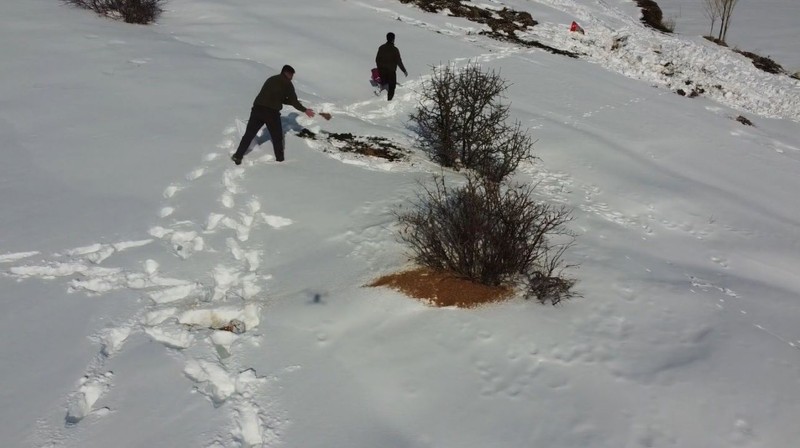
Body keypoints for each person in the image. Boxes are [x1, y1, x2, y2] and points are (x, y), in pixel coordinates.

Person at [232, 65, 315, 165]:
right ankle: (280, 160)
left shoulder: (271, 79)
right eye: (292, 75)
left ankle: (238, 155)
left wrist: (291, 102)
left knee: (249, 134)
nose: (292, 77)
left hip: (257, 109)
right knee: (277, 137)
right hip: (271, 113)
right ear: (288, 73)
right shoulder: (287, 84)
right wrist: (305, 110)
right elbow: (293, 101)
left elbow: (278, 98)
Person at [375, 32, 408, 101]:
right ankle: (389, 100)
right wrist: (404, 70)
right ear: (393, 39)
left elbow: (377, 60)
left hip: (382, 71)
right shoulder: (395, 50)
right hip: (391, 72)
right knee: (392, 87)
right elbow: (399, 62)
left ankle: (380, 92)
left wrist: (379, 68)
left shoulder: (381, 48)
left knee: (384, 82)